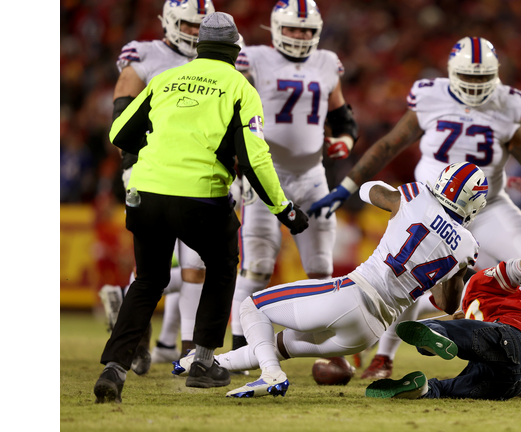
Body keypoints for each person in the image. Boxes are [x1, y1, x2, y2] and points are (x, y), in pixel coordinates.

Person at [308, 36, 521, 383]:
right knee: (408, 274)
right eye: (470, 77)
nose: (477, 84)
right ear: (452, 73)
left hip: (489, 205)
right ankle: (383, 357)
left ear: (495, 74)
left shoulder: (510, 105)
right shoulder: (431, 96)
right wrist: (347, 186)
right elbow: (390, 144)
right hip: (431, 205)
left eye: (483, 78)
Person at [94, 11, 309, 404]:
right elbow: (256, 158)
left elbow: (119, 132)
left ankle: (114, 367)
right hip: (200, 197)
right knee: (225, 265)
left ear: (199, 46)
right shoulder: (238, 86)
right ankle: (203, 361)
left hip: (146, 193)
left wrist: (162, 155)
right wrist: (284, 209)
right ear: (234, 48)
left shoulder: (164, 79)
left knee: (148, 280)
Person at [173, 162, 488, 398]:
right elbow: (448, 302)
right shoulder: (467, 247)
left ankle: (270, 375)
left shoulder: (416, 195)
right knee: (280, 344)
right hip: (371, 331)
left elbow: (370, 191)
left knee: (252, 305)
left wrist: (386, 194)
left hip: (354, 293)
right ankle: (212, 362)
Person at [98, 0, 247, 375]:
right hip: (162, 172)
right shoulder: (147, 56)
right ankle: (171, 351)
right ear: (167, 21)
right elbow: (121, 120)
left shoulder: (215, 69)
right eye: (187, 24)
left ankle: (175, 349)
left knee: (174, 268)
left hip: (171, 178)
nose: (194, 31)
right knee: (175, 266)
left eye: (201, 26)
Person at [226, 0, 358, 361]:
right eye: (293, 29)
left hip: (313, 175)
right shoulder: (252, 58)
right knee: (257, 267)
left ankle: (323, 348)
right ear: (275, 28)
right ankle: (242, 349)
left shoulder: (327, 62)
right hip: (265, 174)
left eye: (306, 30)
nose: (300, 37)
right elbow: (229, 112)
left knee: (320, 268)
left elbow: (343, 116)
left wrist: (344, 141)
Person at [365, 256, 521, 400]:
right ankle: (425, 389)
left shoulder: (479, 280)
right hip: (518, 381)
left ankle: (438, 333)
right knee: (449, 387)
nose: (436, 291)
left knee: (435, 327)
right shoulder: (469, 307)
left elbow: (516, 268)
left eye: (438, 284)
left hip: (511, 338)